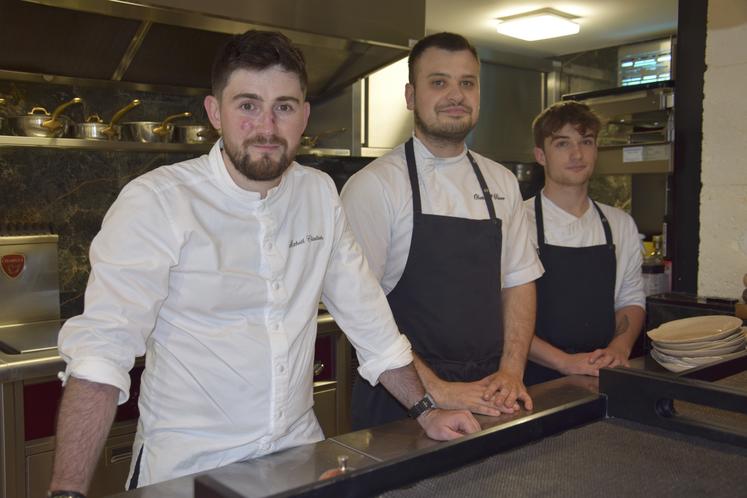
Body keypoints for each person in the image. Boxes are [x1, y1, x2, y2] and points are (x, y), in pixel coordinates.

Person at [47, 30, 480, 497]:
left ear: (304, 116)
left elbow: (371, 324)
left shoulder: (318, 195)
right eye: (248, 105)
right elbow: (102, 355)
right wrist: (66, 491)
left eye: (285, 107)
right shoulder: (157, 202)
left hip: (296, 459)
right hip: (187, 470)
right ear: (216, 113)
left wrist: (427, 410)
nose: (268, 127)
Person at [340, 32, 544, 430]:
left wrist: (511, 372)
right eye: (439, 82)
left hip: (490, 395)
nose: (456, 95)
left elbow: (520, 282)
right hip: (401, 403)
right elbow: (361, 312)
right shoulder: (376, 186)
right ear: (411, 96)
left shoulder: (502, 183)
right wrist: (435, 390)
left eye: (467, 82)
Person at [522, 101, 646, 385]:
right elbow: (502, 314)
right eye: (562, 144)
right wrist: (564, 363)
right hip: (532, 381)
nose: (577, 154)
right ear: (541, 155)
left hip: (601, 375)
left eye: (586, 142)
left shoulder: (620, 224)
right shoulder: (518, 223)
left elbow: (630, 299)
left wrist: (619, 348)